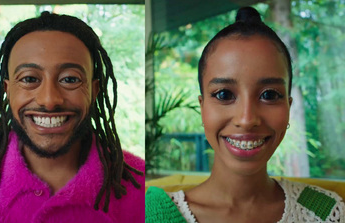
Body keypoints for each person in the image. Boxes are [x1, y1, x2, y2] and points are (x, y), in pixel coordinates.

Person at [146, 7, 344, 223]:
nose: (247, 119)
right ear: (203, 108)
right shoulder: (152, 214)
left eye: (269, 95)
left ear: (288, 107)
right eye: (224, 94)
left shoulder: (326, 212)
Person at [0, 12, 144, 222]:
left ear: (94, 91)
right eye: (29, 78)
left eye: (69, 79)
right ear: (7, 90)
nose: (49, 100)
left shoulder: (142, 185)